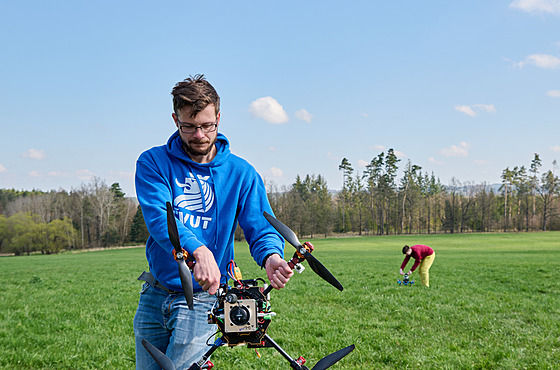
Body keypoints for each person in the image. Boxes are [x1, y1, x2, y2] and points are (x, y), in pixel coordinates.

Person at [133, 74, 294, 369]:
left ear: (218, 118)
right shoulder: (153, 162)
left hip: (202, 303)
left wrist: (272, 255)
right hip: (154, 298)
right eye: (189, 127)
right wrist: (199, 249)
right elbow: (159, 219)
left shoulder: (241, 173)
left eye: (207, 125)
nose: (199, 135)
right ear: (175, 120)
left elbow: (260, 227)